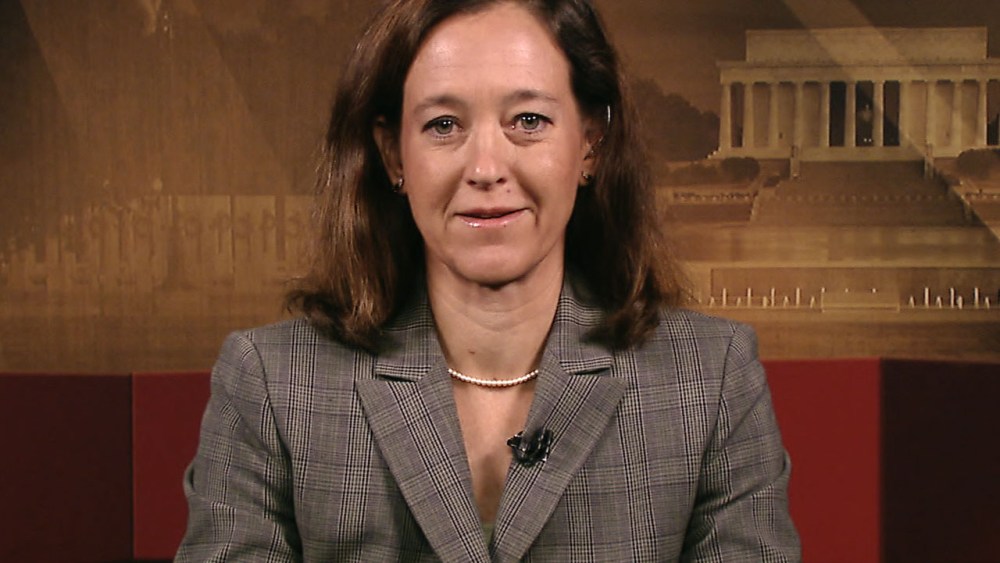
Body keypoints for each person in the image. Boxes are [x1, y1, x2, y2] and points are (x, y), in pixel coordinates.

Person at [176, 0, 800, 560]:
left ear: (590, 142)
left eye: (527, 120)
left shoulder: (712, 379)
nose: (485, 167)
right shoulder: (270, 384)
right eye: (443, 125)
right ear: (394, 155)